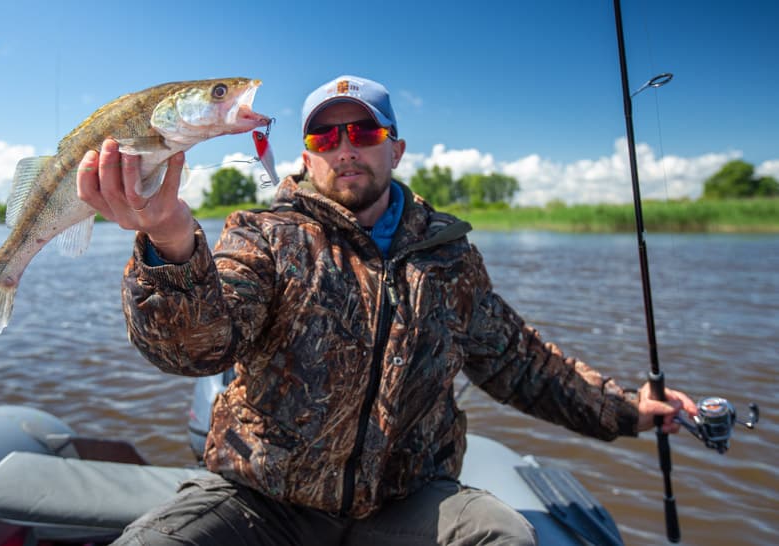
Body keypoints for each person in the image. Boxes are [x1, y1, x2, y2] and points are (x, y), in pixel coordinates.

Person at [77, 75, 697, 546]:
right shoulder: (264, 235)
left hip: (407, 499)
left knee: (504, 536)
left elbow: (522, 364)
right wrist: (172, 244)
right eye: (327, 135)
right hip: (265, 496)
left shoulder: (451, 259)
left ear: (394, 150)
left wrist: (630, 411)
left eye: (364, 133)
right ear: (307, 156)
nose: (345, 148)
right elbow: (197, 350)